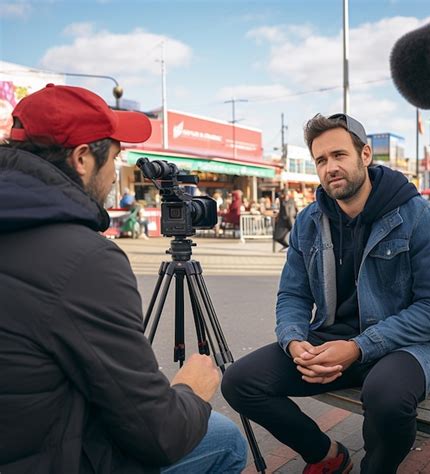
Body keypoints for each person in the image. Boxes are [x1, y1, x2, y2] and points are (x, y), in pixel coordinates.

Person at [0, 84, 247, 473]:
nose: (116, 174)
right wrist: (191, 391)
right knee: (225, 438)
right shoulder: (85, 259)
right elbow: (160, 434)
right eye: (114, 157)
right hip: (51, 456)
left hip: (26, 433)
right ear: (82, 158)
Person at [222, 113, 430, 474]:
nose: (330, 167)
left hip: (407, 345)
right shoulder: (309, 220)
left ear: (365, 155)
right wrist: (293, 340)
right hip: (334, 341)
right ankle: (326, 454)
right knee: (240, 382)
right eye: (321, 160)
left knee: (386, 399)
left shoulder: (415, 215)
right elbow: (293, 295)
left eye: (339, 155)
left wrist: (360, 347)